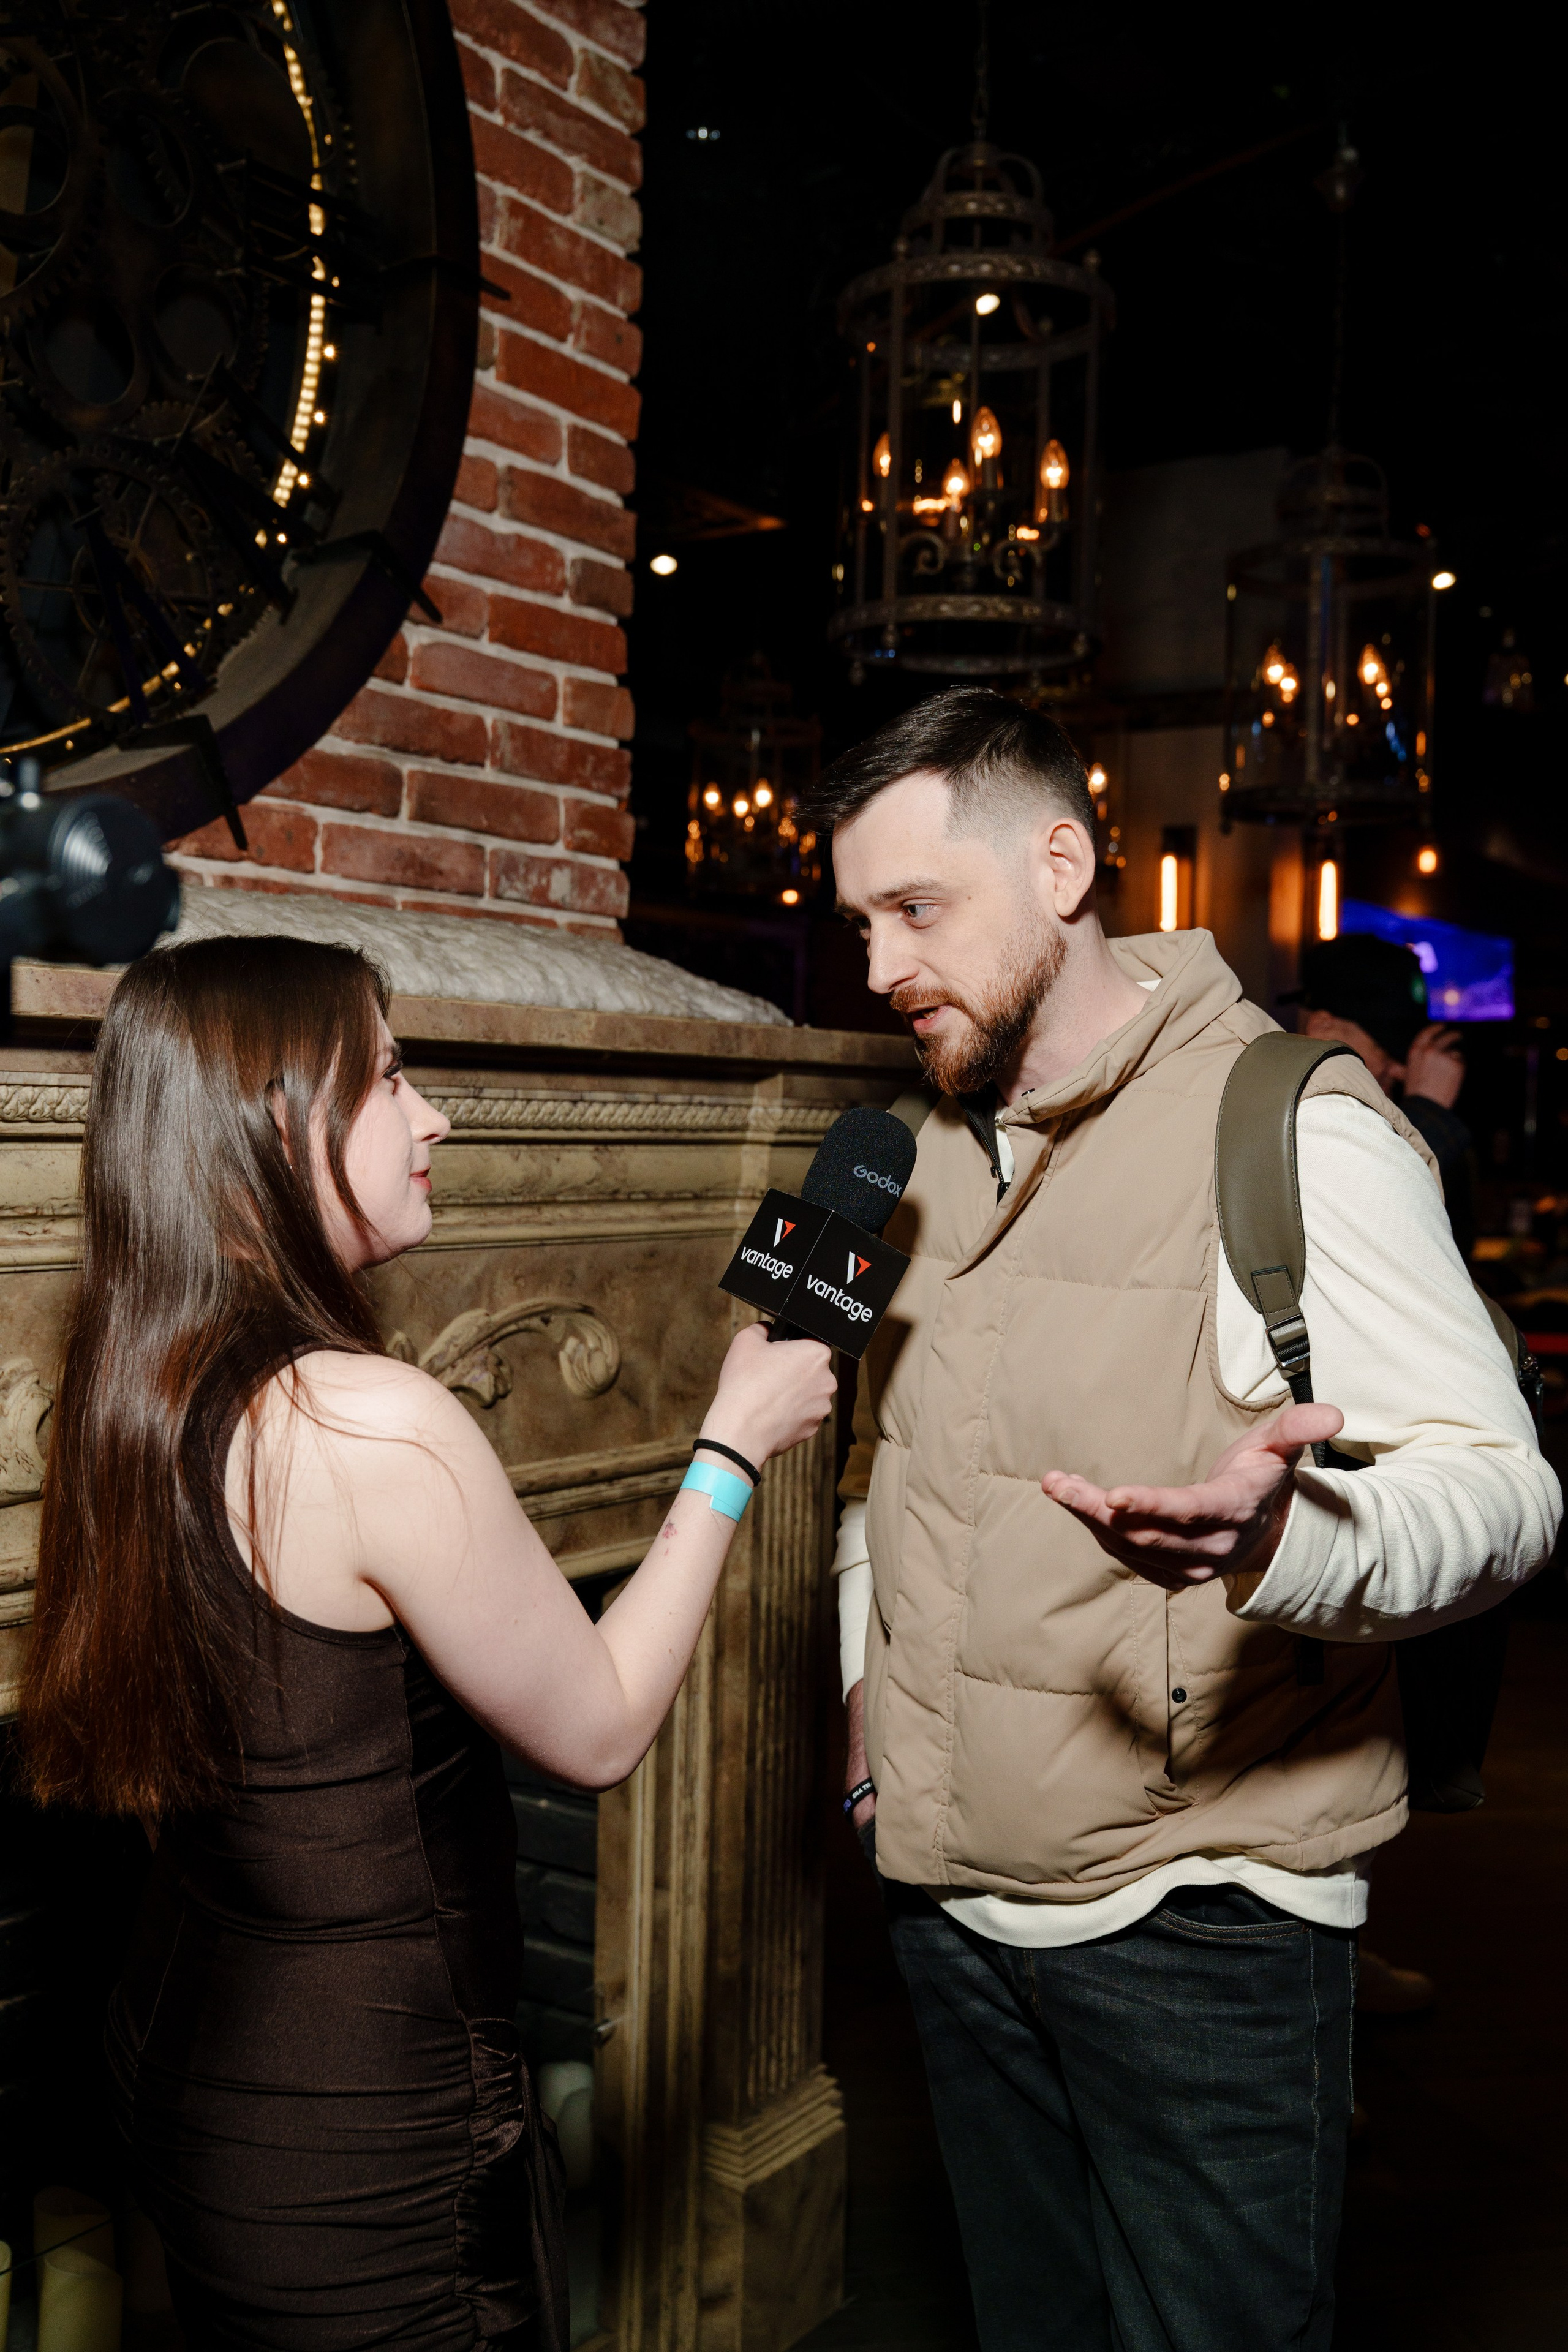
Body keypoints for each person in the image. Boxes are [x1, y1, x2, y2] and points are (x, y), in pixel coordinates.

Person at [815, 688, 1559, 2352]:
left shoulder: (1287, 1127)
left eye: (917, 911)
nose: (879, 969)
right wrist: (871, 1713)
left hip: (1197, 1919)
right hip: (946, 1902)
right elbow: (890, 1473)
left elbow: (1505, 1493)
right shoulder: (917, 1153)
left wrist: (1286, 1551)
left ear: (1065, 864)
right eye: (860, 922)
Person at [19, 935, 835, 2351]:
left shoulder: (127, 1381)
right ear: (278, 1119)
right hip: (366, 2139)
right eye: (391, 1074)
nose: (434, 1113)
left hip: (191, 2065)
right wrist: (728, 1445)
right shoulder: (368, 1419)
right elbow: (596, 1727)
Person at [1290, 929, 1477, 1263]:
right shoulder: (1292, 1117)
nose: (1402, 1072)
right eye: (1386, 1050)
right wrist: (1428, 1113)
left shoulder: (1359, 1116)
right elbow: (1367, 1229)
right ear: (1323, 1028)